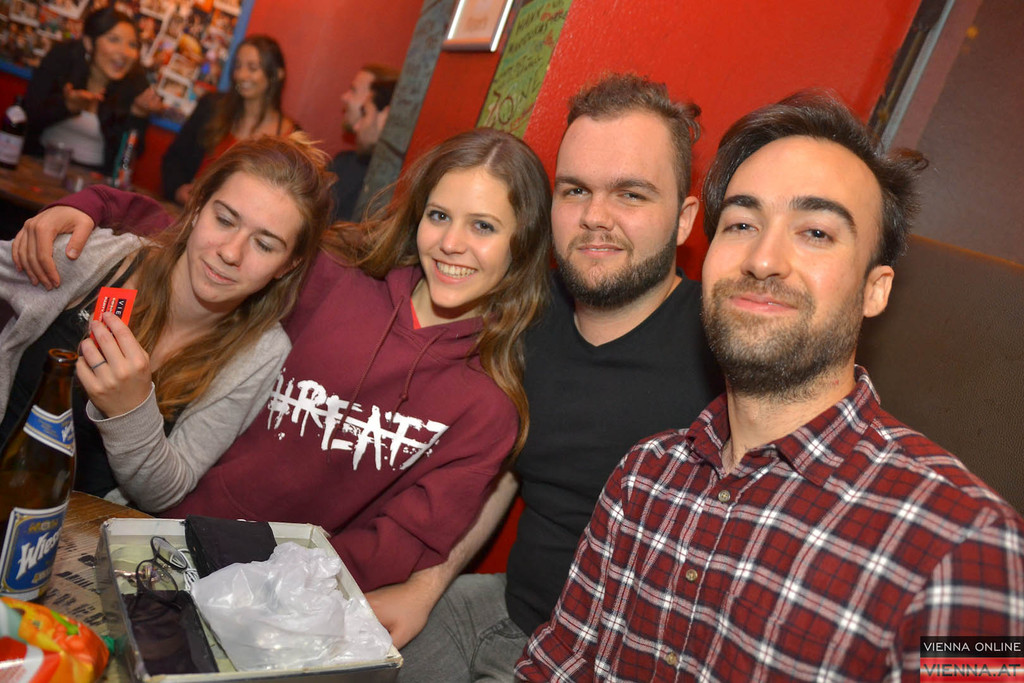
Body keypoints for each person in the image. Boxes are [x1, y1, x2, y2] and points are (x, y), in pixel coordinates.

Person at [516, 91, 1024, 681]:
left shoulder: (971, 547)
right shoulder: (643, 478)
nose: (763, 259)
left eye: (816, 232)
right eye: (742, 224)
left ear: (874, 289)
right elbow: (555, 665)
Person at [10, 128, 554, 602]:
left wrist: (279, 588)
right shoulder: (334, 282)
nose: (452, 243)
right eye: (439, 216)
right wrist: (96, 204)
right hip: (158, 536)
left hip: (276, 595)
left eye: (483, 226)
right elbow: (214, 239)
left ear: (523, 238)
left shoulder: (488, 408)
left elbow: (399, 543)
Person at [388, 73, 723, 678]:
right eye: (575, 191)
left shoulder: (724, 346)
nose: (594, 217)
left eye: (630, 194)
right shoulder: (524, 312)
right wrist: (426, 585)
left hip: (612, 658)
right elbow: (503, 468)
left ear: (683, 219)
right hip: (503, 608)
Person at [1, 134, 334, 508]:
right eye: (224, 220)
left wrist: (130, 411)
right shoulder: (101, 257)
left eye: (264, 245)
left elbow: (164, 493)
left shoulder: (261, 353)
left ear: (288, 265)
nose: (230, 253)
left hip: (75, 536)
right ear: (197, 208)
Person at [162, 35, 298, 205]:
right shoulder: (211, 107)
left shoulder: (291, 137)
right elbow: (174, 159)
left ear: (276, 75)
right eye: (238, 66)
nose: (241, 75)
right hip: (191, 211)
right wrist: (178, 190)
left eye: (252, 68)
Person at [23, 7, 162, 171]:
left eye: (132, 44)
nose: (124, 52)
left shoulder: (136, 83)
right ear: (89, 43)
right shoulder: (63, 59)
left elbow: (126, 160)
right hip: (38, 164)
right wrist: (67, 106)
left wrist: (138, 115)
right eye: (114, 40)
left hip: (94, 178)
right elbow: (25, 118)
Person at [330, 63, 399, 222]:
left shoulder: (390, 187)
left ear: (385, 117)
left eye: (354, 90)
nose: (344, 97)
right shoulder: (344, 162)